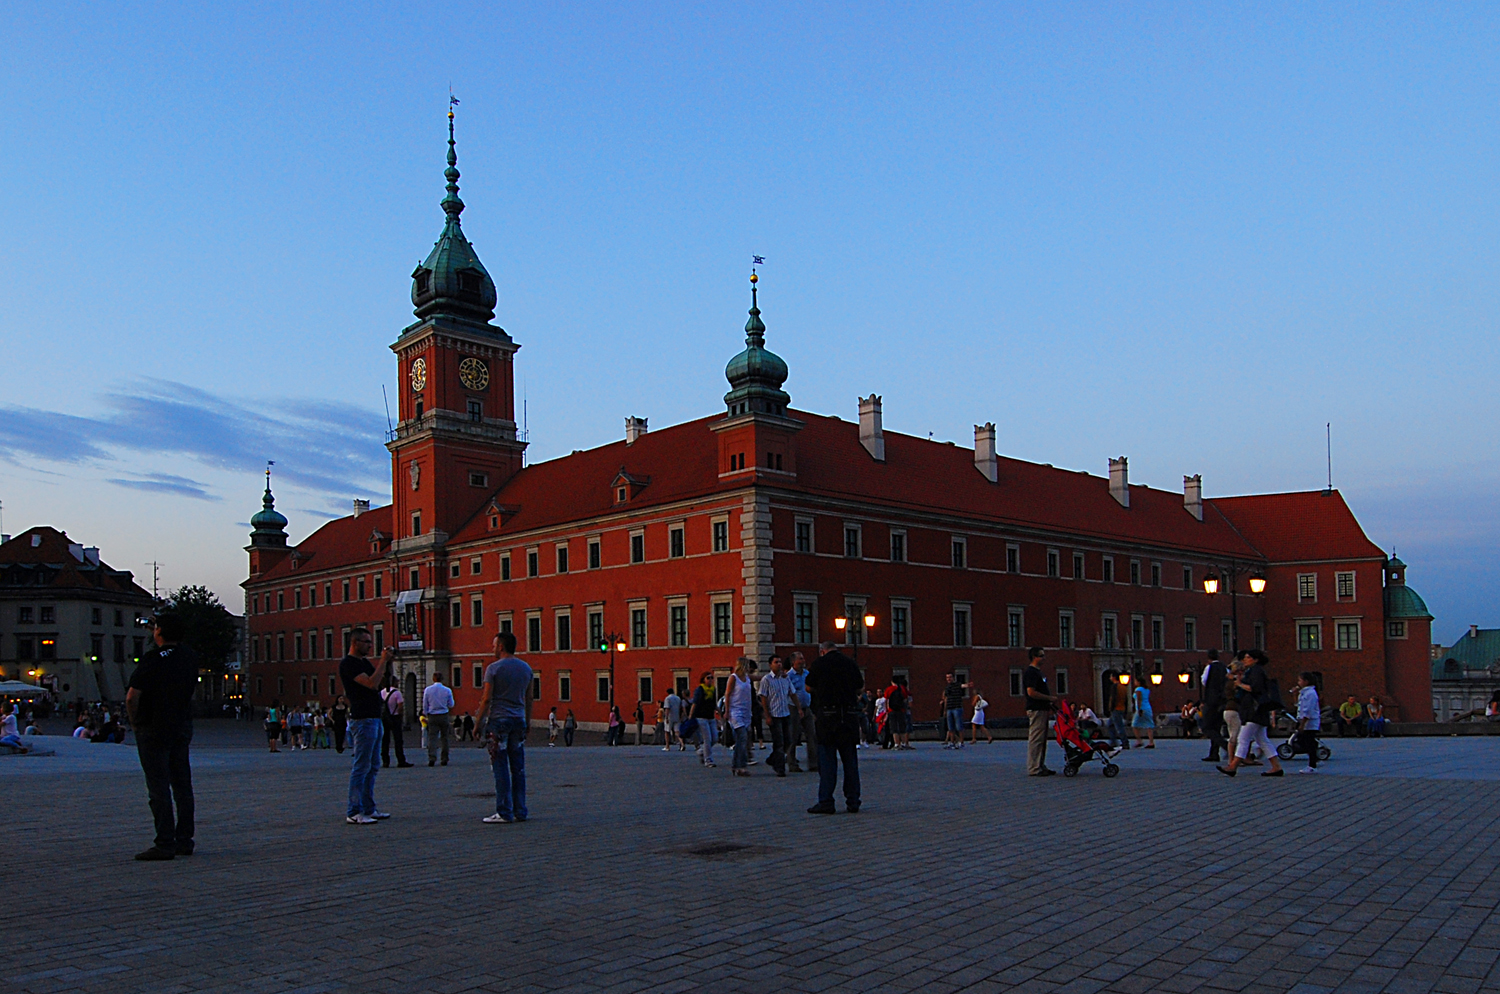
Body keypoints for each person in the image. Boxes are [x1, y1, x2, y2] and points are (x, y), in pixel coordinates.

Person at [125, 613, 200, 860]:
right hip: (181, 724)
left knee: (158, 787)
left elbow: (132, 696)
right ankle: (185, 840)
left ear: (160, 632)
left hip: (154, 726)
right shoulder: (189, 657)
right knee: (182, 785)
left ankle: (164, 842)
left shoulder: (153, 659)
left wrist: (135, 723)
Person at [476, 630, 532, 824]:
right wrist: (528, 721)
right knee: (518, 768)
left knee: (500, 766)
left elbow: (486, 699)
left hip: (499, 721)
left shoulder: (493, 669)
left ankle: (504, 811)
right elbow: (529, 698)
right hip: (519, 720)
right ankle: (520, 810)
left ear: (501, 646)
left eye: (494, 645)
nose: (492, 648)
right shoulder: (526, 668)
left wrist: (478, 723)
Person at [805, 641, 864, 814]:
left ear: (822, 651)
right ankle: (853, 801)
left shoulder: (819, 664)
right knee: (850, 762)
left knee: (827, 761)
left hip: (827, 717)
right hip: (849, 716)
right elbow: (860, 687)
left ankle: (826, 801)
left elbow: (808, 687)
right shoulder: (850, 663)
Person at [341, 629, 393, 824]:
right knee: (361, 767)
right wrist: (382, 661)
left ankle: (369, 808)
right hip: (362, 719)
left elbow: (380, 683)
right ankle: (354, 811)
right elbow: (371, 683)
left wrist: (386, 663)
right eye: (367, 642)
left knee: (372, 766)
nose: (370, 645)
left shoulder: (364, 663)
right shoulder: (349, 664)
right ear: (355, 642)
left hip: (374, 718)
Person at [1218, 649, 1285, 777]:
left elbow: (1255, 688)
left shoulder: (1256, 671)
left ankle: (1233, 766)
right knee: (1262, 740)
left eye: (1248, 657)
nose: (1245, 660)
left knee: (1243, 738)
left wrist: (1240, 684)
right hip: (1257, 710)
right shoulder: (1254, 671)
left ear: (1255, 659)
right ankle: (1276, 766)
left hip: (1254, 711)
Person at [1023, 648, 1057, 776]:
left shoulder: (1038, 672)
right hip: (1036, 708)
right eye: (1041, 656)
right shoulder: (1031, 672)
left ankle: (1040, 765)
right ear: (1034, 657)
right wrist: (1049, 698)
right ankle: (1034, 768)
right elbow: (1031, 692)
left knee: (1041, 739)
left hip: (1042, 708)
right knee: (1036, 739)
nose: (1044, 658)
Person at [759, 655, 793, 776]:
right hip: (775, 714)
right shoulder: (766, 679)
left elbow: (791, 693)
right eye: (776, 662)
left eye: (780, 662)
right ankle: (780, 768)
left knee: (788, 740)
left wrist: (798, 708)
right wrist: (767, 715)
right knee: (779, 742)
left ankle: (772, 759)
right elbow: (763, 697)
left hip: (785, 713)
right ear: (770, 665)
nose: (779, 664)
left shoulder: (785, 678)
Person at [787, 652, 817, 771]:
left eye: (803, 658)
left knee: (812, 735)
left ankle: (813, 763)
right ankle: (792, 763)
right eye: (800, 659)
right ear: (793, 662)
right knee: (793, 735)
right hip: (793, 708)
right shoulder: (789, 676)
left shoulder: (807, 674)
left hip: (807, 707)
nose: (803, 661)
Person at [725, 658, 755, 777]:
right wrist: (727, 710)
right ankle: (741, 766)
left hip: (746, 712)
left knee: (741, 740)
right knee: (742, 737)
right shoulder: (733, 678)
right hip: (735, 711)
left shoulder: (747, 678)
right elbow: (727, 694)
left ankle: (736, 765)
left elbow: (759, 678)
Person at [1199, 650, 1228, 762]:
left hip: (1211, 700)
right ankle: (1214, 753)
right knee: (1216, 726)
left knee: (1207, 727)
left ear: (1208, 658)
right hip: (1222, 701)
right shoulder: (1224, 667)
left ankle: (1224, 745)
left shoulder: (1209, 667)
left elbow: (1204, 681)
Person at [422, 671, 454, 767]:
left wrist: (426, 713)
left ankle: (432, 758)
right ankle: (444, 758)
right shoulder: (447, 690)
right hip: (443, 714)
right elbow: (451, 704)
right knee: (445, 738)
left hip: (432, 715)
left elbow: (425, 705)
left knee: (432, 738)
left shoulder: (428, 690)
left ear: (433, 679)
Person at [1292, 673, 1321, 774]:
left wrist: (1303, 723)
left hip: (1310, 722)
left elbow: (1308, 710)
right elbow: (1298, 705)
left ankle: (1312, 764)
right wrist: (1295, 695)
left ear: (1306, 681)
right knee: (1304, 741)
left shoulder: (1311, 693)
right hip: (1303, 720)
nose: (1298, 682)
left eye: (1300, 680)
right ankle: (1313, 759)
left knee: (1308, 742)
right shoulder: (1303, 693)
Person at [380, 678, 412, 768]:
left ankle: (385, 761)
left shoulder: (381, 692)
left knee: (385, 740)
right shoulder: (397, 693)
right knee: (398, 740)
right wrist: (399, 714)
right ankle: (400, 760)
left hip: (384, 718)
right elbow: (400, 705)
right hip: (395, 717)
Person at [689, 672, 718, 767]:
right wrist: (690, 716)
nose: (710, 680)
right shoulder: (700, 690)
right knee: (707, 739)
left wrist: (720, 713)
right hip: (701, 717)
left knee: (715, 738)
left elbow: (714, 703)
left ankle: (702, 751)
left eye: (711, 678)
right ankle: (708, 760)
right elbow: (695, 703)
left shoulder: (713, 690)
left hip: (711, 717)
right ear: (703, 679)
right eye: (708, 678)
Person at [941, 672, 970, 750]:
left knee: (959, 726)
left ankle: (961, 742)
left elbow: (962, 686)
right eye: (947, 678)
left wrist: (967, 685)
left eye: (950, 677)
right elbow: (946, 699)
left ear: (953, 678)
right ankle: (952, 742)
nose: (948, 679)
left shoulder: (957, 685)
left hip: (957, 707)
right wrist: (945, 709)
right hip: (949, 708)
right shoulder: (947, 688)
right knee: (950, 727)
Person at [886, 674, 912, 750]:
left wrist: (887, 711)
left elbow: (886, 700)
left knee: (894, 727)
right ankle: (904, 743)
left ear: (892, 681)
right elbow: (905, 699)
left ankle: (897, 744)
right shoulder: (902, 689)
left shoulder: (889, 689)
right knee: (902, 727)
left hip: (892, 710)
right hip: (901, 710)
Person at [1106, 676, 1130, 751]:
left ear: (1113, 677)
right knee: (1110, 724)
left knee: (1119, 726)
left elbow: (1113, 698)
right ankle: (1113, 741)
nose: (1110, 678)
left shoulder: (1114, 686)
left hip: (1116, 708)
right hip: (1121, 708)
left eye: (1111, 676)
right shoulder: (1123, 687)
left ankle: (1124, 742)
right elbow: (1126, 699)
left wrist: (1111, 708)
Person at [1131, 680, 1156, 748]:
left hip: (1141, 709)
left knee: (1134, 724)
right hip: (1148, 708)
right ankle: (1151, 742)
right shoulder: (1147, 690)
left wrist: (1139, 709)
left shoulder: (1138, 689)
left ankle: (1139, 740)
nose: (1135, 682)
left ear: (1139, 682)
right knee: (1149, 725)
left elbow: (1139, 699)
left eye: (1136, 681)